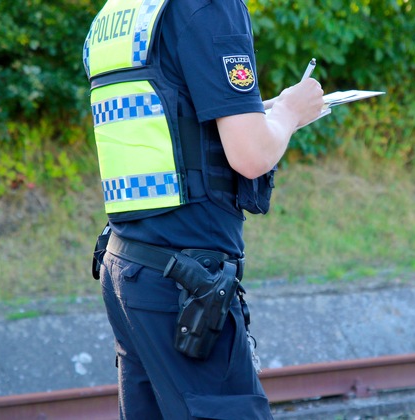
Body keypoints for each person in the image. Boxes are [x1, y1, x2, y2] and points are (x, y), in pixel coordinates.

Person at [82, 0, 324, 418]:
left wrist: (256, 116)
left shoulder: (120, 12)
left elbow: (168, 118)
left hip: (127, 267)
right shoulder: (211, 5)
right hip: (186, 283)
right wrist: (288, 112)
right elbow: (250, 156)